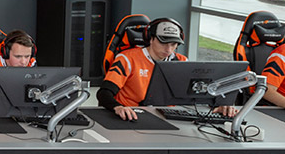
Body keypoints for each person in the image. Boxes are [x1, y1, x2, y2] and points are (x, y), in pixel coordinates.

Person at [99, 17, 237, 121]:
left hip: (167, 118)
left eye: (173, 44)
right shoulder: (127, 59)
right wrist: (118, 107)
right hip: (132, 116)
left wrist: (217, 106)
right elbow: (104, 93)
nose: (168, 49)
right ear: (150, 39)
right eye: (163, 42)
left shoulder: (182, 61)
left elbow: (196, 94)